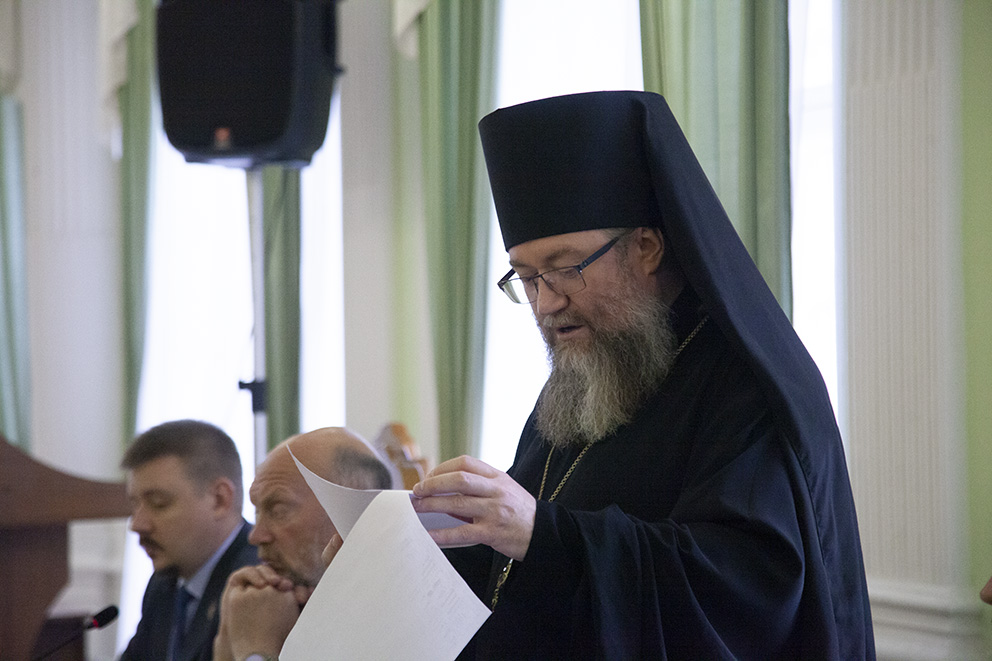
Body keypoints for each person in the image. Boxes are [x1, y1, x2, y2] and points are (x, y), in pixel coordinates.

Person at [410, 91, 875, 658]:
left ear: (647, 248)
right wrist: (413, 549)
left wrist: (545, 535)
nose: (545, 304)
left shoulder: (744, 387)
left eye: (564, 268)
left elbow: (747, 593)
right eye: (526, 278)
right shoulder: (585, 376)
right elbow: (513, 555)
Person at [213, 427, 393, 661]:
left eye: (278, 510)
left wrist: (257, 651)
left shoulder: (398, 621)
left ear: (351, 515)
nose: (256, 536)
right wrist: (226, 645)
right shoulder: (265, 608)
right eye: (257, 512)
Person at [120, 419, 257, 661]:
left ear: (219, 500)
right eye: (135, 505)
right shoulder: (163, 584)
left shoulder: (256, 583)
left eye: (158, 503)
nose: (137, 524)